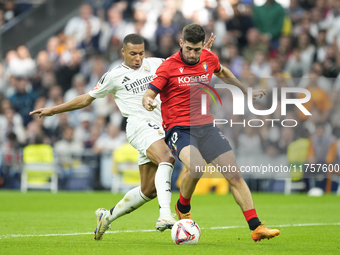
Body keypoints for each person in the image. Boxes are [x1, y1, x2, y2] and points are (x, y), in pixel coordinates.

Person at [30, 33, 215, 241]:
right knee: (167, 157)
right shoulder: (114, 75)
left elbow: (182, 64)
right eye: (133, 54)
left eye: (141, 54)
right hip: (138, 126)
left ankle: (106, 217)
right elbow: (85, 99)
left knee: (148, 190)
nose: (138, 58)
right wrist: (54, 110)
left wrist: (202, 54)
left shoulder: (156, 64)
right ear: (123, 52)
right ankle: (165, 215)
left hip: (161, 127)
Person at [143, 24, 280, 242]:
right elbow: (150, 93)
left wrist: (246, 90)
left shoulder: (208, 57)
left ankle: (256, 227)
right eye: (188, 49)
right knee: (197, 167)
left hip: (206, 126)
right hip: (178, 128)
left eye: (197, 50)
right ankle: (183, 207)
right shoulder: (168, 66)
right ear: (181, 44)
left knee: (234, 174)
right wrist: (148, 101)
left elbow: (222, 71)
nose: (192, 54)